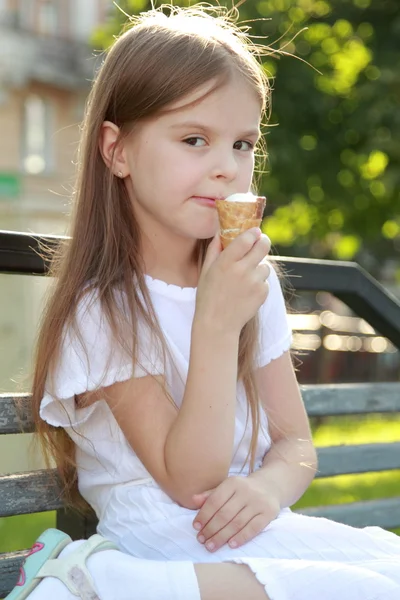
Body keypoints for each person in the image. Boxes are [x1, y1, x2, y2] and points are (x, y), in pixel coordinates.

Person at [7, 5, 400, 600]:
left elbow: (295, 446)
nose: (226, 167)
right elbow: (189, 483)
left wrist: (267, 489)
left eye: (243, 144)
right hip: (162, 536)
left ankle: (111, 586)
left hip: (245, 533)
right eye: (195, 139)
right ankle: (100, 577)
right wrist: (215, 325)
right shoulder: (105, 310)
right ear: (117, 151)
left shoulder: (249, 283)